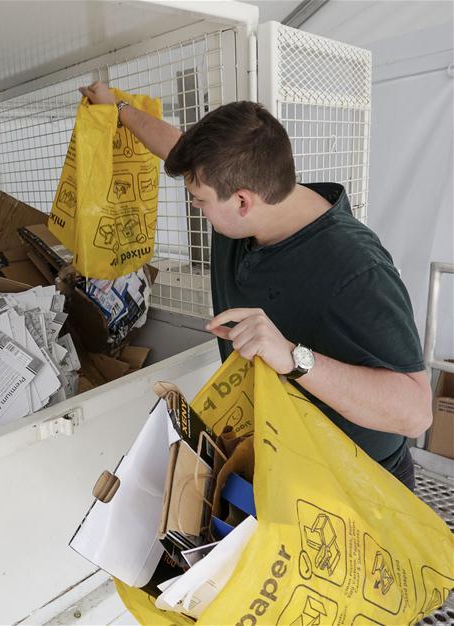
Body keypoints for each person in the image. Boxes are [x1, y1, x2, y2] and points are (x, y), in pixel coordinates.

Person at [78, 82, 432, 489]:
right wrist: (119, 108)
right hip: (286, 466)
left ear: (242, 201)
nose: (196, 208)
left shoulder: (357, 268)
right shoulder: (244, 194)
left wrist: (294, 358)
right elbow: (175, 145)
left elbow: (416, 412)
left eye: (198, 201)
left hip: (362, 486)